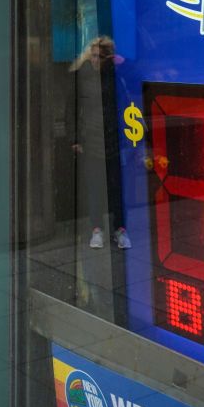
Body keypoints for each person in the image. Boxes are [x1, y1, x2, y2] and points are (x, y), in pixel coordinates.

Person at [69, 36, 130, 250]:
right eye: (93, 55)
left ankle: (119, 229)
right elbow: (73, 108)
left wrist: (123, 64)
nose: (95, 60)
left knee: (115, 189)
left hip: (113, 139)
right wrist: (75, 138)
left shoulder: (114, 75)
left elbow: (129, 97)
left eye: (100, 57)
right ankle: (97, 229)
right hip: (91, 140)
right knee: (95, 188)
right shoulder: (83, 75)